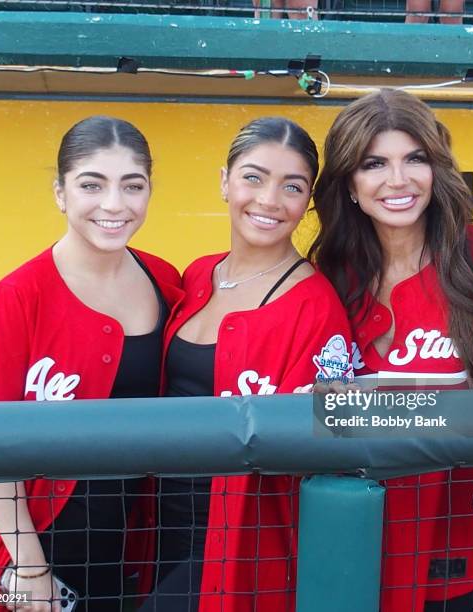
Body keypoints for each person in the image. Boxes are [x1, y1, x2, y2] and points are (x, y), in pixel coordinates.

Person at [309, 88, 473, 611]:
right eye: (374, 163)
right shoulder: (325, 276)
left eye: (415, 159)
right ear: (349, 185)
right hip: (349, 540)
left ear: (437, 169)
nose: (398, 180)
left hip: (469, 547)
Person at [0, 116, 182, 612]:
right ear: (60, 193)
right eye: (91, 184)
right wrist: (31, 569)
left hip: (123, 549)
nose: (114, 204)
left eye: (132, 185)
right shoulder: (16, 298)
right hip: (13, 556)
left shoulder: (165, 280)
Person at [141, 116, 353, 612]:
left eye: (292, 186)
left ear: (308, 203)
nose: (269, 200)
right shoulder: (197, 273)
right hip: (161, 526)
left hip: (241, 544)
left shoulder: (315, 307)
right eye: (253, 177)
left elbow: (327, 442)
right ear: (224, 181)